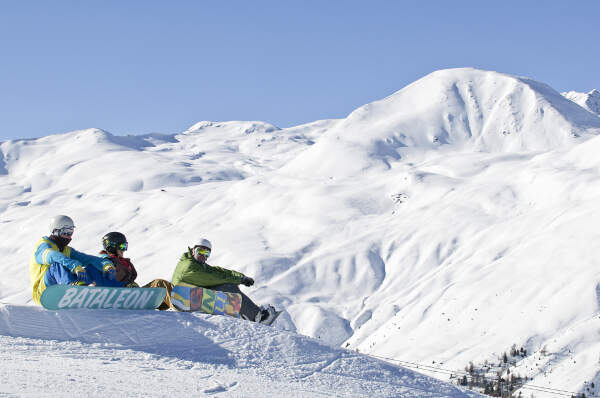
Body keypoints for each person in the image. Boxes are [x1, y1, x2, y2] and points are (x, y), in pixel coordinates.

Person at [171, 238, 278, 324]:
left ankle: (248, 314)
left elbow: (218, 272)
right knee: (228, 288)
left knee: (229, 287)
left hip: (191, 298)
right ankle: (257, 316)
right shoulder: (189, 267)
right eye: (200, 251)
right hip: (184, 302)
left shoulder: (196, 263)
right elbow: (213, 278)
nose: (203, 256)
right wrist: (239, 279)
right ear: (193, 250)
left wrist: (241, 277)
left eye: (207, 253)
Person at [30, 215, 118, 305]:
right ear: (55, 231)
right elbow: (52, 256)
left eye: (71, 232)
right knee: (56, 265)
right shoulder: (43, 245)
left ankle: (115, 291)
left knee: (93, 268)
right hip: (43, 292)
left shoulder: (66, 249)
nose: (68, 236)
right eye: (65, 232)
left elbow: (88, 259)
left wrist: (106, 264)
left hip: (64, 285)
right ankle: (71, 288)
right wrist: (74, 266)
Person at [100, 231, 176, 310]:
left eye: (125, 246)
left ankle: (179, 305)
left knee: (160, 286)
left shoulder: (124, 262)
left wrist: (131, 285)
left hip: (133, 295)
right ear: (112, 247)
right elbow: (101, 277)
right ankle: (179, 307)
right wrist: (125, 285)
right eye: (122, 247)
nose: (124, 250)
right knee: (159, 283)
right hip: (119, 295)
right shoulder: (104, 262)